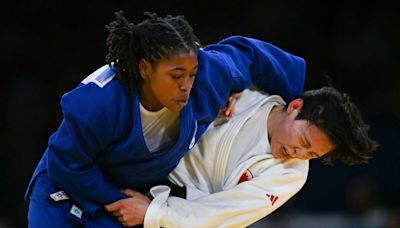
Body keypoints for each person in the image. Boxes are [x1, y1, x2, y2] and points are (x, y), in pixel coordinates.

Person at [24, 10, 306, 227]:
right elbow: (67, 165)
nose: (186, 85)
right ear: (145, 68)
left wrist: (289, 108)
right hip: (63, 195)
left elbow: (251, 55)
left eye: (192, 74)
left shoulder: (209, 78)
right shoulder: (98, 102)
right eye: (175, 76)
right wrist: (120, 200)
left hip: (124, 202)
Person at [104, 87, 378, 227]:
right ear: (295, 107)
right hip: (143, 167)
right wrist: (218, 90)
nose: (298, 153)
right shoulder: (244, 95)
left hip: (177, 215)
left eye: (312, 154)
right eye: (304, 142)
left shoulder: (291, 174)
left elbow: (222, 215)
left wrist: (153, 214)